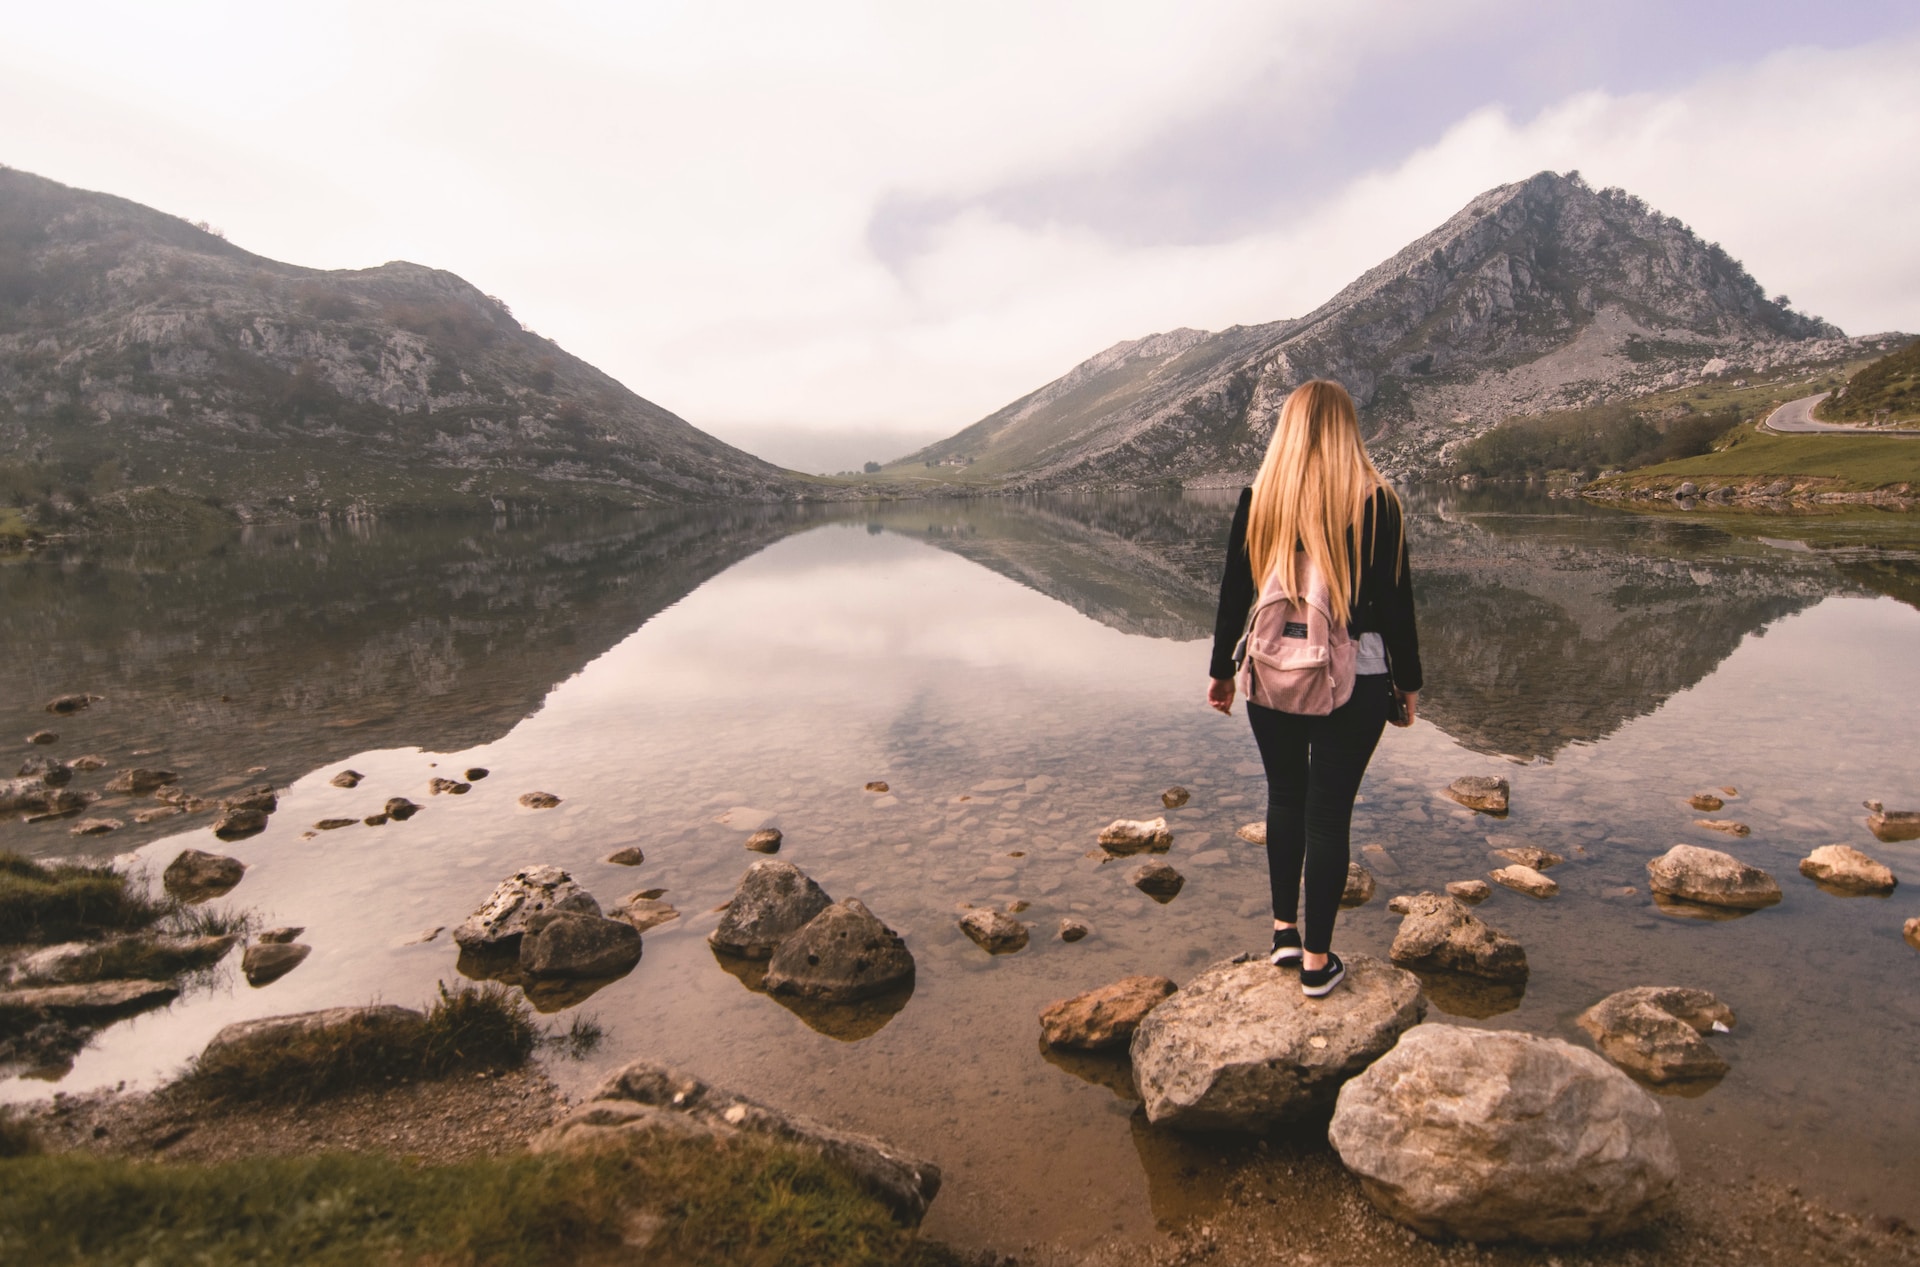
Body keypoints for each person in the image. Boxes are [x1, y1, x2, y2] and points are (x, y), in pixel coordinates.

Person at [1206, 379, 1422, 998]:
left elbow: (1234, 596)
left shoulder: (1259, 499)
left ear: (1289, 430)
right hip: (1358, 678)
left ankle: (1282, 935)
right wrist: (1409, 683)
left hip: (1271, 672)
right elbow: (1397, 606)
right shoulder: (1378, 503)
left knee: (1284, 798)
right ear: (1347, 430)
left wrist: (1223, 670)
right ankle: (1318, 962)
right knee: (1329, 815)